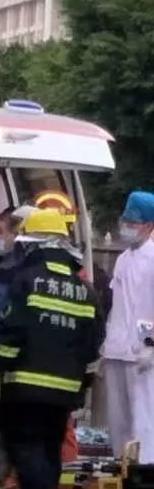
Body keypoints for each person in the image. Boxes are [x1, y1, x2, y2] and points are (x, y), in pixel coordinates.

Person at [0, 209, 104, 489]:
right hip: (65, 390)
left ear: (33, 244)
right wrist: (82, 387)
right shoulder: (84, 290)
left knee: (22, 444)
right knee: (50, 447)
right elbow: (93, 344)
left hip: (24, 385)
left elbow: (10, 332)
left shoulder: (25, 280)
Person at [0, 205, 34, 486]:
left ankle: (12, 475)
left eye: (2, 231)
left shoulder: (25, 269)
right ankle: (4, 470)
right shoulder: (3, 264)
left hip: (14, 360)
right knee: (3, 415)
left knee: (16, 416)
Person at [102, 190, 154, 464]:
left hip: (142, 353)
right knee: (118, 419)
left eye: (134, 222)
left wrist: (148, 344)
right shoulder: (123, 259)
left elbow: (149, 309)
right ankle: (121, 468)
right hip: (117, 348)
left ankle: (144, 471)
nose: (127, 226)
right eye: (126, 220)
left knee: (142, 417)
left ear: (148, 225)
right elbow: (118, 306)